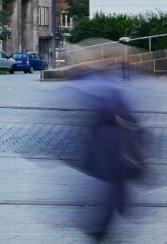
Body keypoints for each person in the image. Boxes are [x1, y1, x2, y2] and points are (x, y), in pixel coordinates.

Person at [71, 70, 148, 240]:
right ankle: (118, 212)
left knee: (112, 182)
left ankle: (103, 226)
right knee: (114, 181)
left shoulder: (96, 85)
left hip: (109, 143)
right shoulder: (106, 85)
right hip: (111, 143)